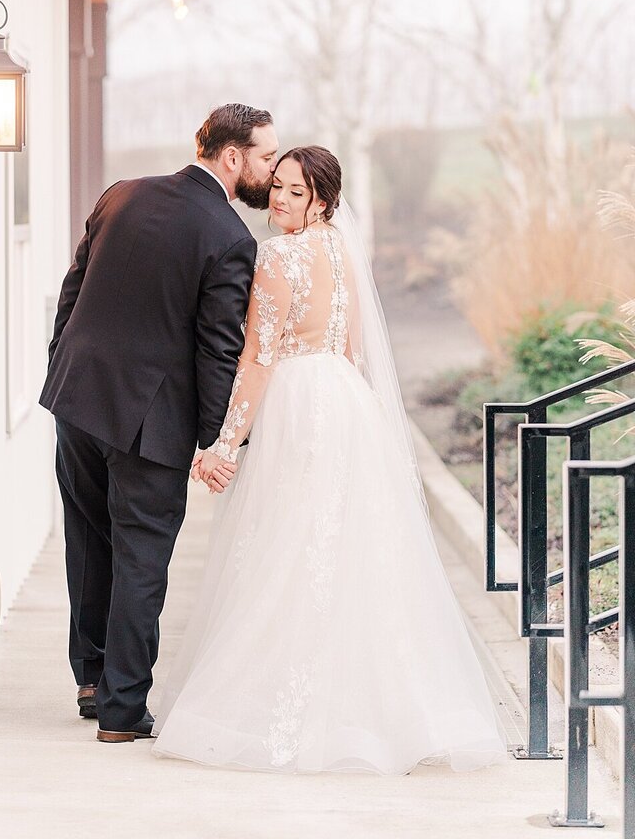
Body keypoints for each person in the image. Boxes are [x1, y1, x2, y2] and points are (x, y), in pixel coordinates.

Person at [152, 146, 507, 773]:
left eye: (296, 192)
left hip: (298, 403)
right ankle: (370, 709)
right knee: (345, 550)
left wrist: (223, 445)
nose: (281, 201)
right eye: (279, 188)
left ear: (322, 199)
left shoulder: (277, 255)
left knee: (285, 548)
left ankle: (285, 708)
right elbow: (352, 346)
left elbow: (258, 360)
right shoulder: (343, 250)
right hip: (345, 400)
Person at [40, 104, 279, 740]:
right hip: (152, 423)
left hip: (79, 398)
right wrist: (217, 440)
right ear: (231, 157)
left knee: (88, 543)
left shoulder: (120, 195)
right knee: (142, 559)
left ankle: (92, 680)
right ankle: (121, 711)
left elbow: (74, 288)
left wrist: (61, 364)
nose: (270, 167)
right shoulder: (230, 238)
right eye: (263, 156)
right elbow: (217, 349)